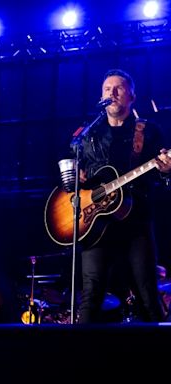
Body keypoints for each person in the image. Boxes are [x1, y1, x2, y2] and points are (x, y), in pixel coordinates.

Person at [75, 69, 171, 323]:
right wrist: (77, 178)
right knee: (91, 294)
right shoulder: (89, 134)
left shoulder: (148, 131)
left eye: (118, 89)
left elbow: (162, 177)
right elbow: (75, 170)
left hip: (135, 218)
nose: (112, 93)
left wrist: (166, 170)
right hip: (96, 221)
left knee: (147, 293)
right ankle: (76, 356)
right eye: (107, 89)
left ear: (131, 97)